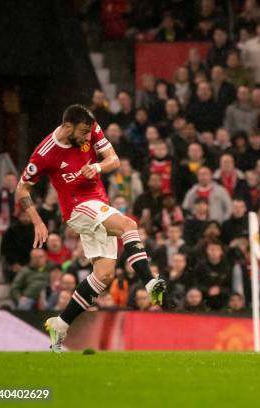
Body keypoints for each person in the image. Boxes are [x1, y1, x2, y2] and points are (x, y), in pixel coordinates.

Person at [15, 105, 166, 352]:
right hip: (77, 208)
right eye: (84, 133)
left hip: (98, 203)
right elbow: (22, 188)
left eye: (89, 133)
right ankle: (150, 282)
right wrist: (38, 221)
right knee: (129, 225)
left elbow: (114, 160)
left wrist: (96, 167)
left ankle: (60, 325)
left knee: (104, 275)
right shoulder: (45, 153)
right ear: (67, 127)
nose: (88, 138)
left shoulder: (91, 127)